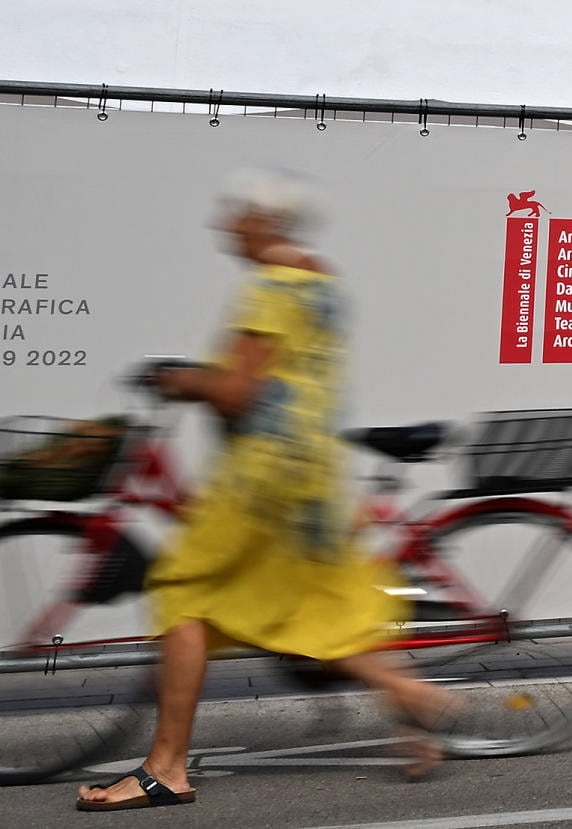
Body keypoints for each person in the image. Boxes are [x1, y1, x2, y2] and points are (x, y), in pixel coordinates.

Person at [76, 171, 450, 809]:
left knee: (183, 591)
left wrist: (180, 380)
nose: (224, 224)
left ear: (264, 222)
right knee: (301, 605)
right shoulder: (322, 284)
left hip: (263, 477)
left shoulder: (268, 287)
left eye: (236, 214)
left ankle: (165, 768)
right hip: (309, 476)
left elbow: (242, 391)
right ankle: (412, 693)